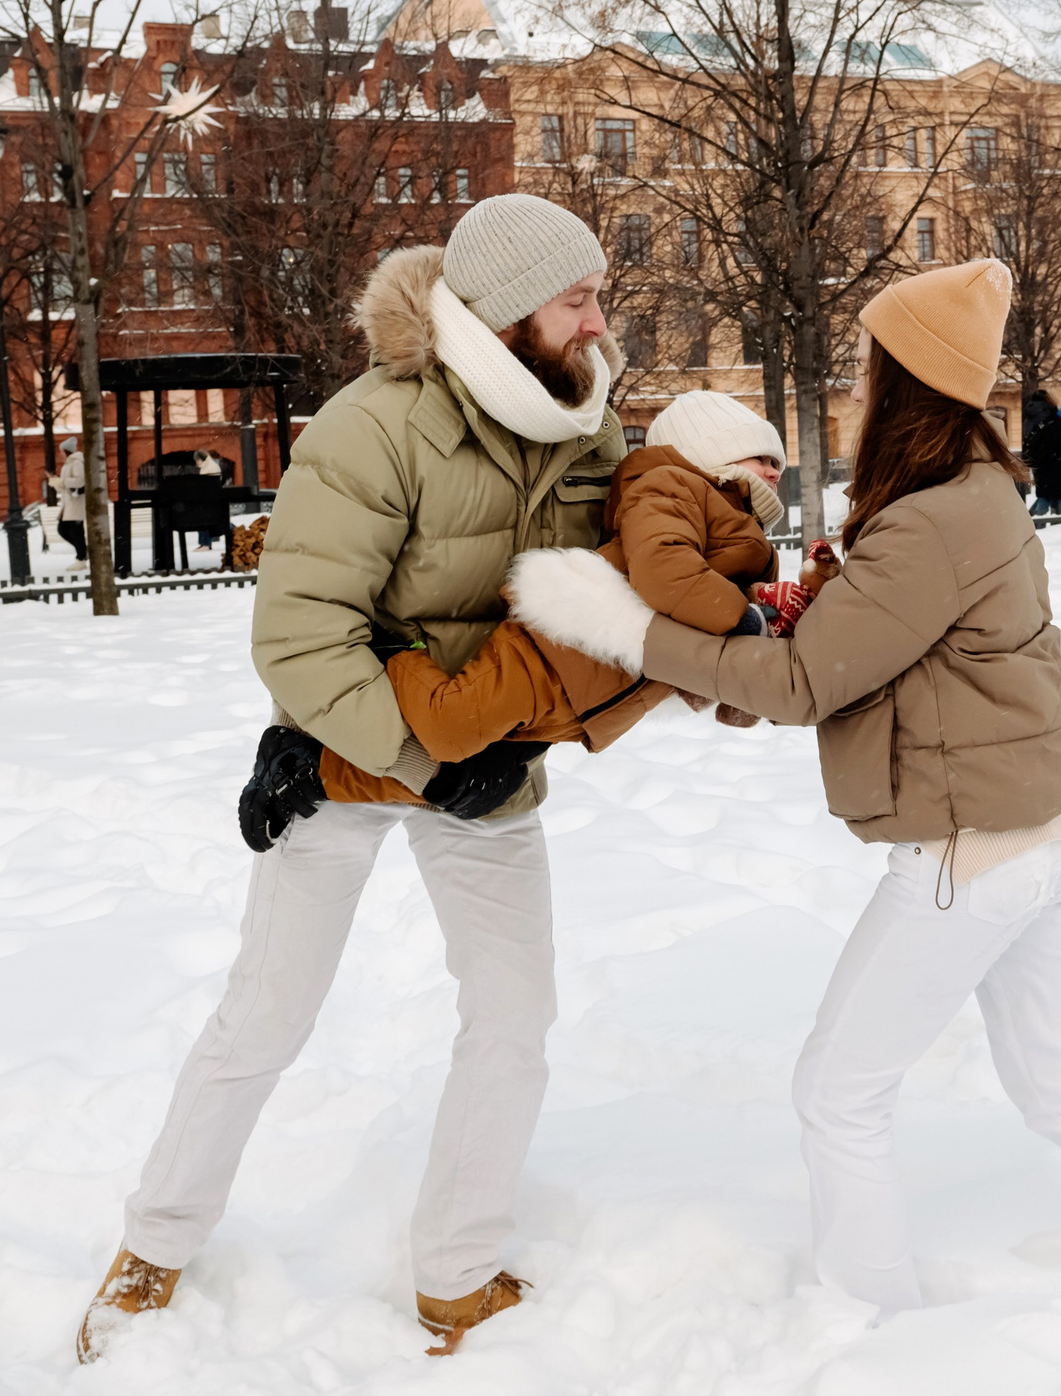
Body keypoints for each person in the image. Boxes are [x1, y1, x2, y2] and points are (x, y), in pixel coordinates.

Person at [515, 259, 1061, 1328]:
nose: (858, 385)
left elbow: (805, 679)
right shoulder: (970, 494)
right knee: (1060, 1077)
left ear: (906, 378)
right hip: (1038, 835)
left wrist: (633, 633)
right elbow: (876, 640)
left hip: (974, 856)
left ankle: (865, 1318)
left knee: (838, 1089)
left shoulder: (929, 521)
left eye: (871, 364)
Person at [78, 195, 629, 1363]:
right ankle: (155, 1240)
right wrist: (431, 758)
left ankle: (456, 1269)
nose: (597, 316)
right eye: (575, 296)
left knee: (515, 1013)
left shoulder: (591, 426)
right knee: (267, 1009)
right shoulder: (371, 426)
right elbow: (300, 632)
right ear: (506, 309)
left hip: (497, 756)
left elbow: (615, 587)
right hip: (336, 755)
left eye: (595, 294)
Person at [290, 388, 841, 807]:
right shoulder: (672, 487)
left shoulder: (754, 546)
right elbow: (664, 572)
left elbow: (718, 652)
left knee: (470, 779)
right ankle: (396, 656)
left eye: (779, 463)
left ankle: (314, 776)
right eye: (761, 456)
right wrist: (743, 620)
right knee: (449, 730)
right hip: (557, 653)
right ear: (712, 449)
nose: (776, 469)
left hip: (598, 698)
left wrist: (765, 656)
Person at [1024, 389, 1061, 516]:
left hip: (1044, 473)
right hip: (1060, 475)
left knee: (1044, 498)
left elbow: (1035, 450)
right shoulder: (1060, 428)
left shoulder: (1038, 424)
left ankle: (1035, 523)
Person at [55, 443, 88, 562]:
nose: (60, 455)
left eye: (61, 452)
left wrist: (62, 482)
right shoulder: (68, 465)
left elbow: (80, 481)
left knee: (75, 532)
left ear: (67, 451)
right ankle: (83, 552)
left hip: (76, 503)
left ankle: (81, 557)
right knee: (63, 530)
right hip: (69, 504)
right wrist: (58, 483)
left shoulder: (76, 463)